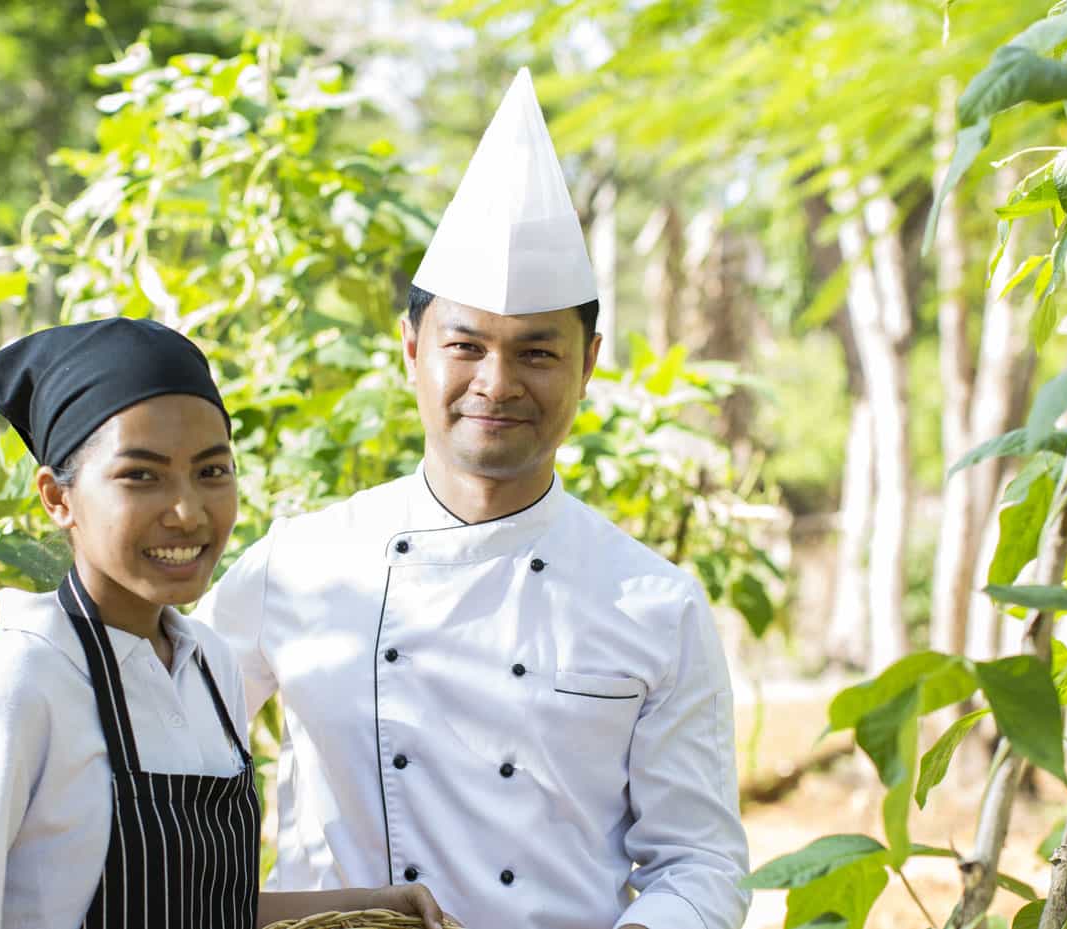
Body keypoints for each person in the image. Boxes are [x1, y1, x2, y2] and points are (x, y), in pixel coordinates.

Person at [197, 69, 750, 929]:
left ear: (588, 360)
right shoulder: (297, 564)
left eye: (535, 352)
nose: (496, 383)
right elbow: (157, 759)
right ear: (411, 349)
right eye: (465, 345)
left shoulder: (654, 602)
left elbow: (698, 860)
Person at [0, 318, 445, 929]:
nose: (188, 512)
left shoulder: (209, 665)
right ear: (58, 499)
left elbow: (202, 909)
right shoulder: (22, 685)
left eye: (212, 472)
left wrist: (372, 903)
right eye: (141, 476)